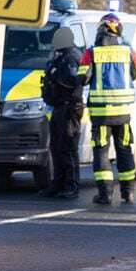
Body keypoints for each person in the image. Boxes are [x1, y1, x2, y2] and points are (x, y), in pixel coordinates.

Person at [78, 13, 136, 205]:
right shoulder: (128, 51)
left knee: (102, 152)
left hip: (101, 113)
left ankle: (105, 195)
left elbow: (82, 78)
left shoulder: (91, 52)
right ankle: (127, 192)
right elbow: (135, 74)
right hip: (122, 113)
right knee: (124, 151)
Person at [40, 26, 84, 199]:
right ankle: (57, 184)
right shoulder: (62, 56)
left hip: (69, 107)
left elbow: (72, 81)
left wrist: (56, 73)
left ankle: (71, 186)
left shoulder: (72, 57)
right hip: (59, 107)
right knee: (56, 148)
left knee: (68, 148)